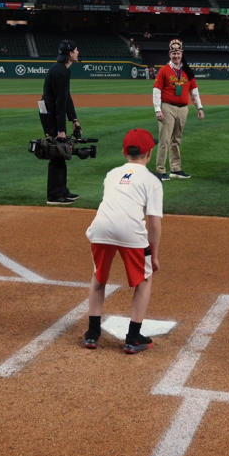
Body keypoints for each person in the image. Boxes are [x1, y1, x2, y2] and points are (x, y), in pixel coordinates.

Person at [83, 128, 163, 354]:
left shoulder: (111, 174)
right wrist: (153, 257)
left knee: (99, 276)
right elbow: (154, 224)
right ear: (149, 154)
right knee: (144, 279)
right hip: (130, 232)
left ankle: (92, 334)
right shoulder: (152, 180)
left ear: (124, 152)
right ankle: (133, 337)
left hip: (100, 228)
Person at [152, 39, 204, 181]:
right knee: (165, 139)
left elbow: (194, 91)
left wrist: (199, 107)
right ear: (169, 54)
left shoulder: (187, 70)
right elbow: (156, 91)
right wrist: (158, 109)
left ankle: (175, 168)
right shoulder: (164, 71)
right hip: (167, 107)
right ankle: (160, 170)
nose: (176, 56)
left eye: (178, 53)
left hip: (183, 109)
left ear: (182, 54)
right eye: (173, 53)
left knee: (176, 139)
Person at [40, 39, 82, 205]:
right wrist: (61, 131)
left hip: (51, 112)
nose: (78, 53)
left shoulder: (62, 70)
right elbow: (59, 103)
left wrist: (74, 119)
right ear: (70, 54)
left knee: (60, 151)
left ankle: (62, 190)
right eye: (76, 51)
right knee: (56, 150)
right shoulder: (61, 72)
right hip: (50, 115)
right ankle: (54, 195)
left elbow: (66, 98)